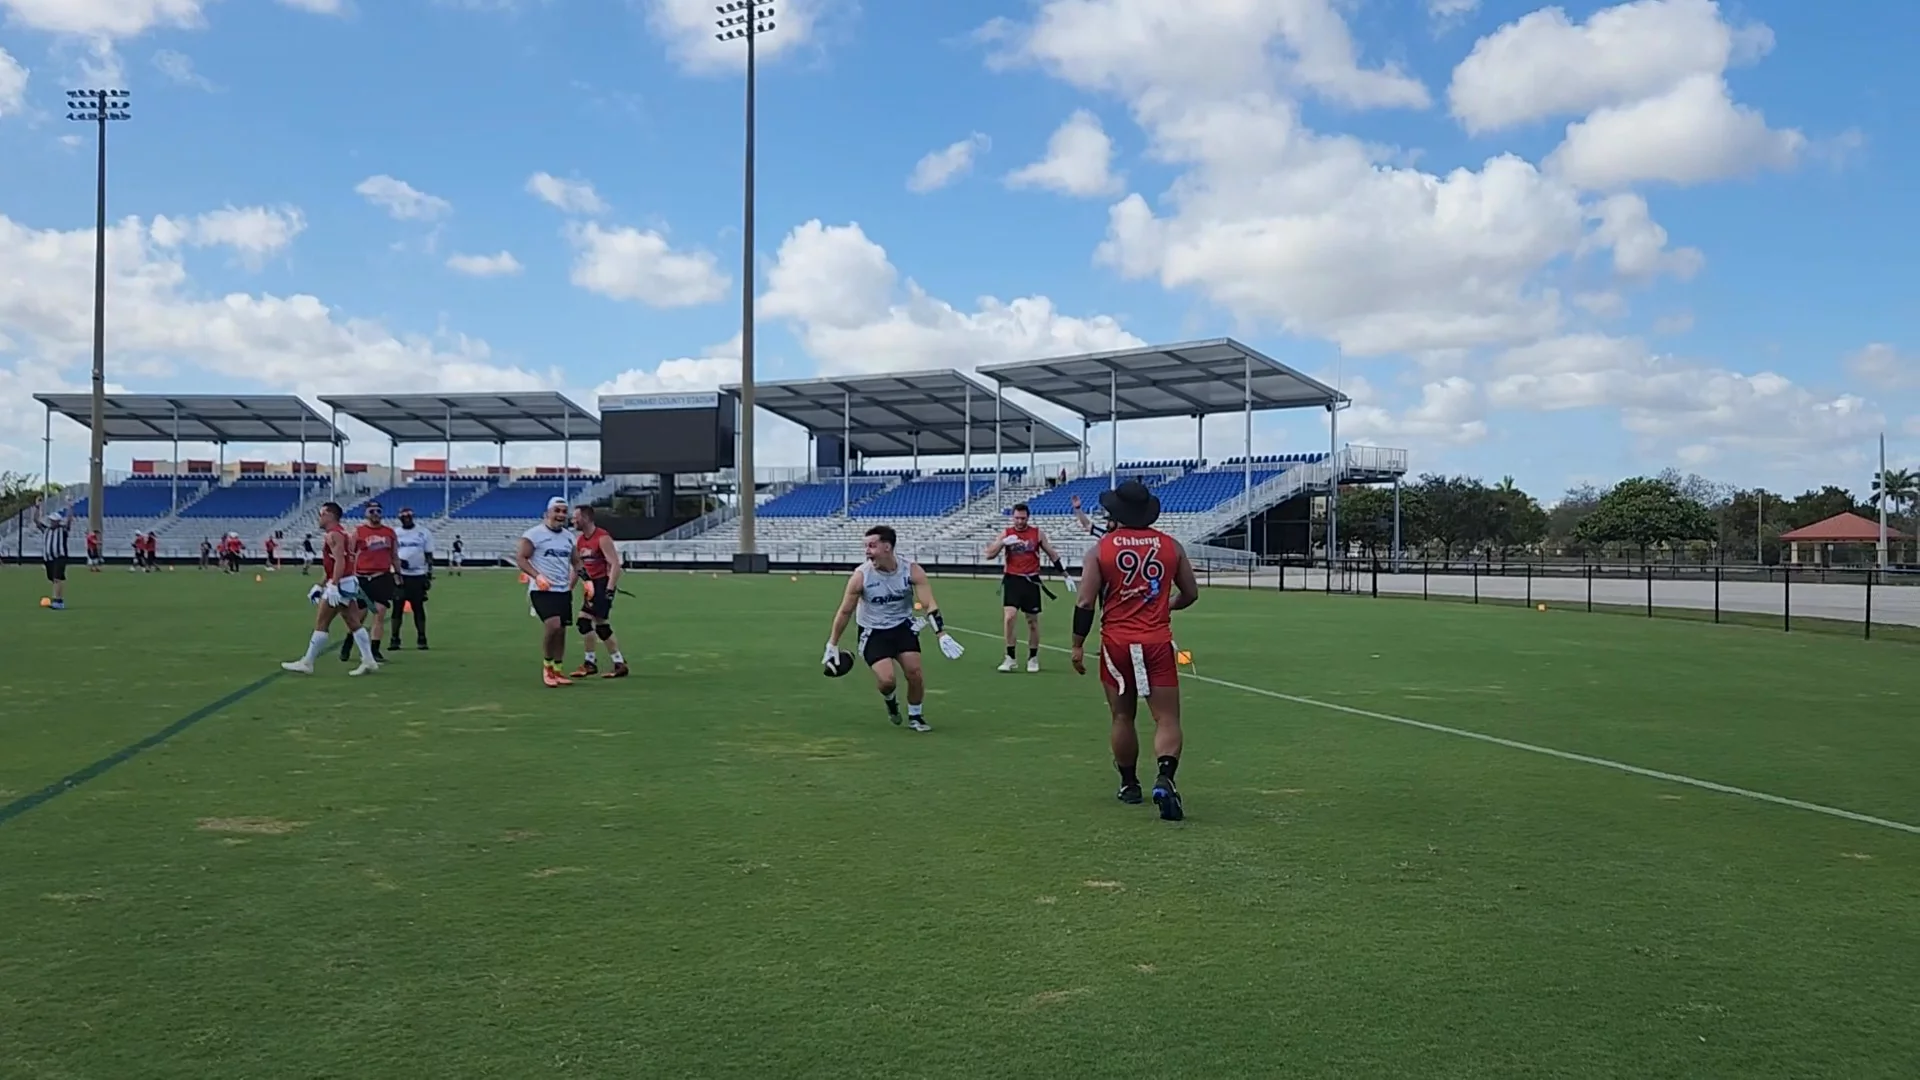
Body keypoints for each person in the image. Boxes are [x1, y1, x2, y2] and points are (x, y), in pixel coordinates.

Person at [1069, 480, 1200, 821]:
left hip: (1117, 644)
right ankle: (1165, 777)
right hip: (1157, 641)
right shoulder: (1171, 546)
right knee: (1167, 718)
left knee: (1122, 716)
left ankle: (1129, 784)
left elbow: (1085, 602)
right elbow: (1191, 593)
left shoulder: (1100, 550)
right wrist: (1166, 605)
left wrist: (1077, 645)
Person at [824, 524, 964, 732]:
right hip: (873, 632)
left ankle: (916, 717)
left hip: (902, 627)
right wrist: (832, 644)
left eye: (872, 546)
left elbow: (928, 604)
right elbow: (845, 612)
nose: (867, 551)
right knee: (887, 681)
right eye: (865, 546)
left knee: (915, 673)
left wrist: (941, 634)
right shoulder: (861, 577)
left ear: (887, 547)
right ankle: (890, 701)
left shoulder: (912, 570)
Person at [281, 501, 380, 676]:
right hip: (347, 581)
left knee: (322, 623)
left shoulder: (334, 534)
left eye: (321, 515)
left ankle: (307, 662)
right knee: (353, 622)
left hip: (341, 584)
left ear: (329, 515)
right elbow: (336, 564)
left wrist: (333, 585)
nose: (319, 519)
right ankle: (368, 660)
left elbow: (340, 562)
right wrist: (321, 584)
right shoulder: (341, 533)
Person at [983, 502, 1068, 673]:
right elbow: (989, 555)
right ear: (1012, 517)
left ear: (1028, 517)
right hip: (1012, 579)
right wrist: (1003, 543)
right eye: (1017, 518)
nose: (1020, 521)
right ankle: (1010, 657)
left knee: (1032, 622)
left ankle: (1033, 658)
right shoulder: (1007, 533)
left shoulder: (1037, 533)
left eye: (1023, 518)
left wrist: (1065, 574)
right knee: (1009, 617)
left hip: (1031, 580)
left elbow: (1052, 553)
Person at [515, 497, 580, 687]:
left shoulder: (569, 537)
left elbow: (576, 562)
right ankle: (547, 667)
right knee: (553, 625)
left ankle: (558, 670)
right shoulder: (534, 534)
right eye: (556, 511)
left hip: (563, 590)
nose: (561, 515)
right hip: (542, 590)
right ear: (547, 513)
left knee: (561, 630)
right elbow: (521, 558)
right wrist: (537, 576)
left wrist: (587, 582)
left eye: (564, 511)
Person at [568, 504, 629, 679]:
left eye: (575, 517)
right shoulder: (580, 540)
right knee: (599, 625)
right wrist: (568, 589)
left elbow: (615, 564)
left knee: (586, 622)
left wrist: (609, 589)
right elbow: (578, 568)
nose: (572, 521)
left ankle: (593, 663)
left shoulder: (602, 537)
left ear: (585, 518)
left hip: (602, 584)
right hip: (590, 586)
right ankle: (616, 663)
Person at [339, 501, 397, 664]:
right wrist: (347, 575)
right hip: (362, 577)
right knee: (359, 616)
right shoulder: (359, 532)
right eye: (372, 511)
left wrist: (398, 574)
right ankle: (348, 643)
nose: (375, 514)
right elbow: (350, 554)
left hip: (382, 576)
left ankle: (374, 650)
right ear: (366, 514)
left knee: (380, 612)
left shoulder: (389, 533)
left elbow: (394, 555)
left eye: (378, 511)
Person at [391, 507, 434, 651]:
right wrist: (398, 564)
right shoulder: (395, 533)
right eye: (404, 517)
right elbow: (391, 553)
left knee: (418, 608)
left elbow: (429, 555)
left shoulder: (423, 532)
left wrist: (428, 575)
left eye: (409, 516)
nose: (407, 519)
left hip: (418, 575)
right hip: (400, 575)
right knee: (397, 608)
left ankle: (422, 638)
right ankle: (395, 639)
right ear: (400, 518)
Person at [33, 503, 72, 610]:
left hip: (59, 556)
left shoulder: (62, 530)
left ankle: (58, 601)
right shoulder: (46, 530)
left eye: (54, 521)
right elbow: (36, 521)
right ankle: (57, 599)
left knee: (57, 578)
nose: (52, 522)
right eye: (51, 520)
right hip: (48, 558)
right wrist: (37, 508)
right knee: (54, 579)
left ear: (58, 521)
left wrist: (69, 507)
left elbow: (69, 520)